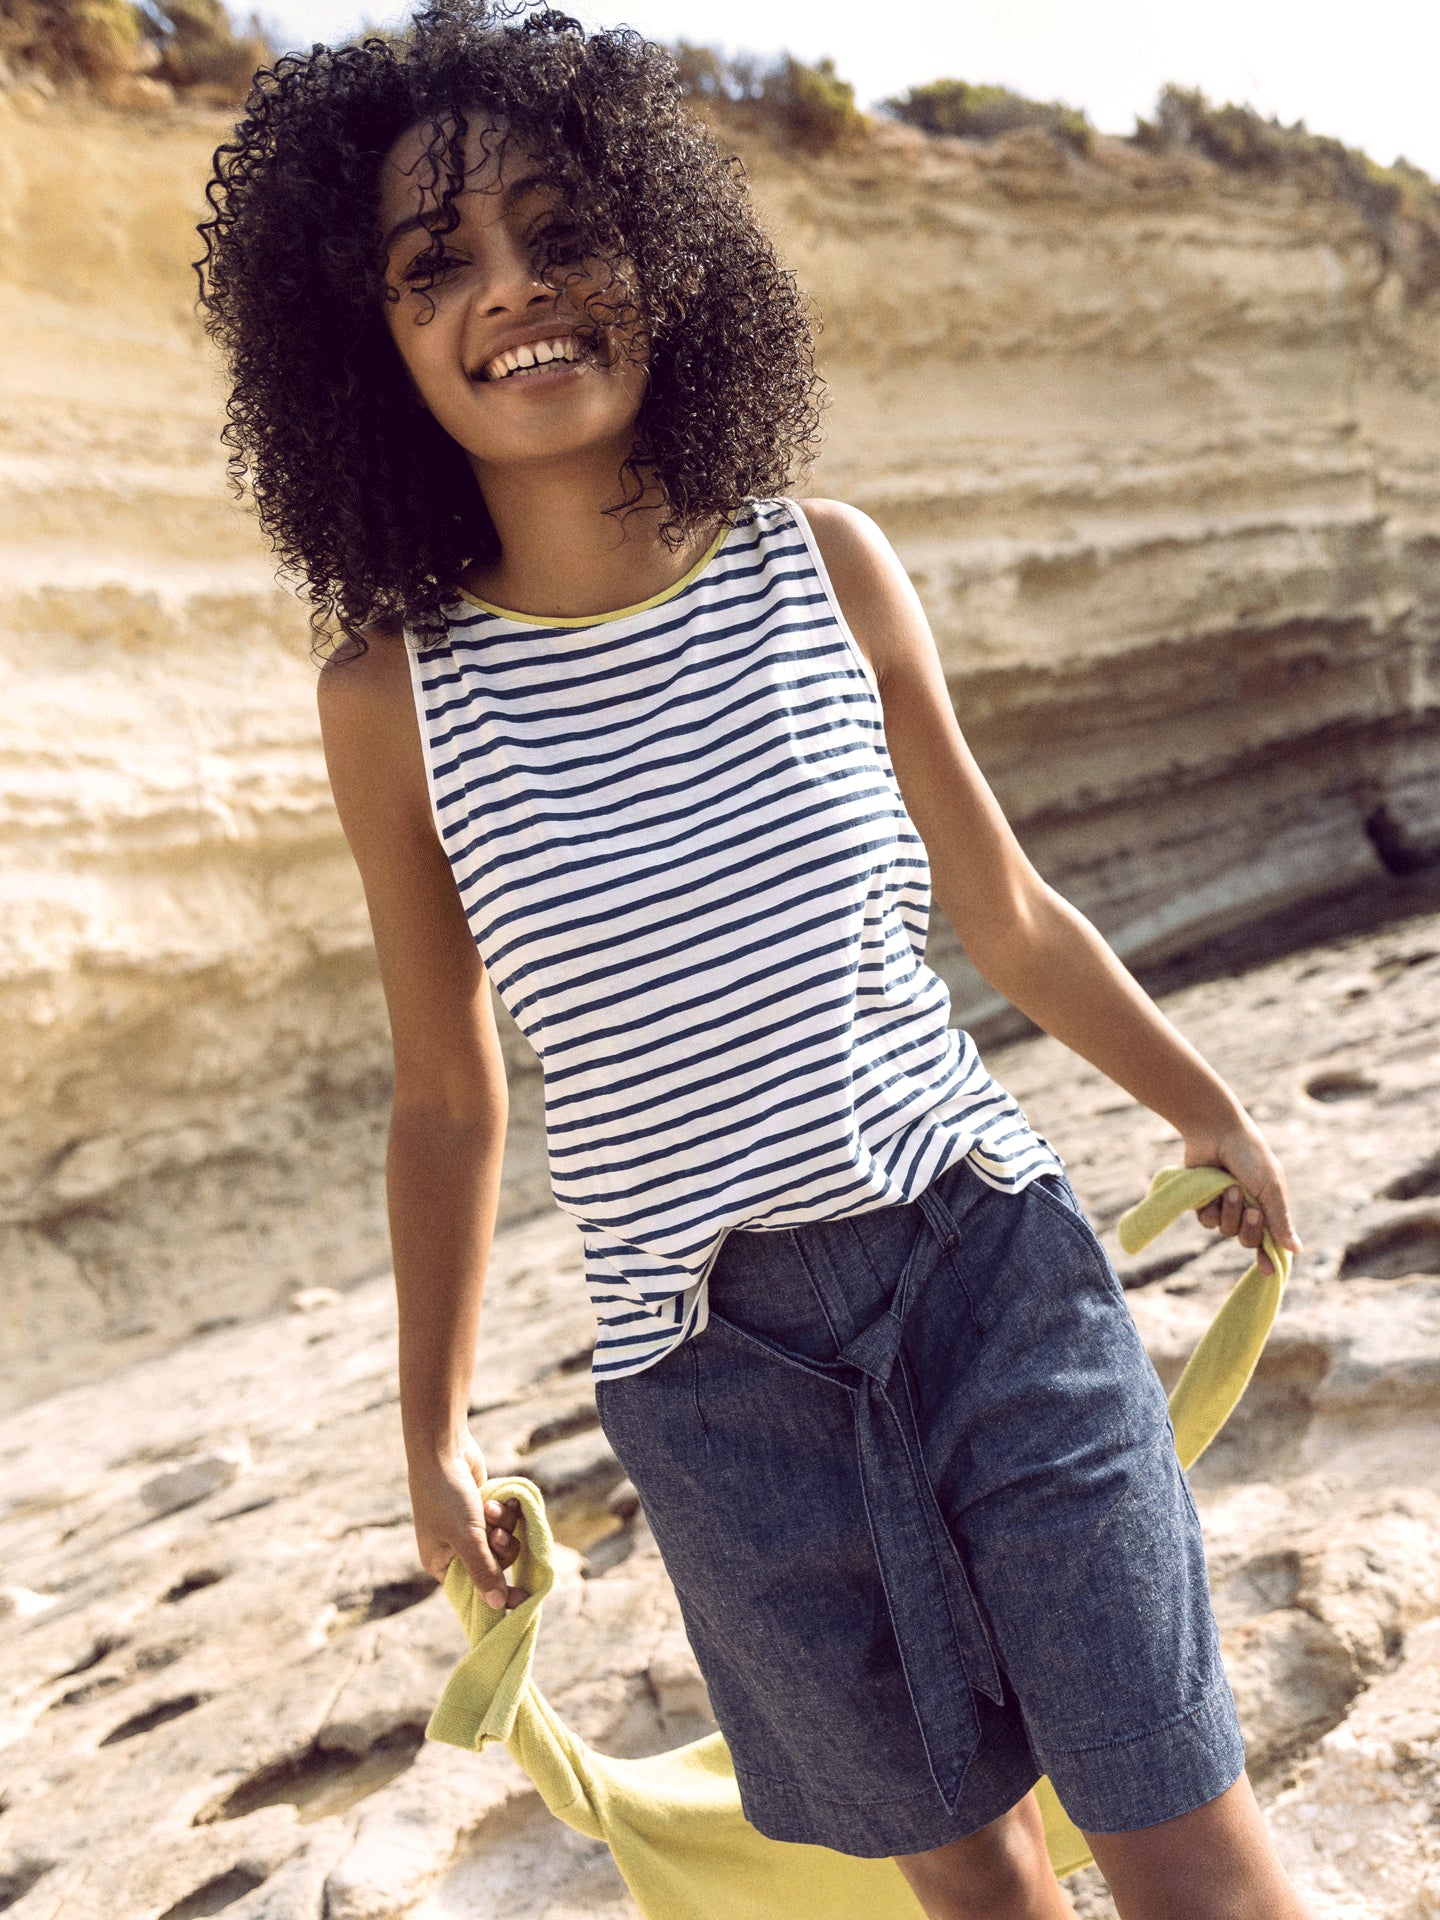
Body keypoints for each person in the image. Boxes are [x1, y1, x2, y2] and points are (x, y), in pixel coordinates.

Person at [198, 7, 1311, 1914]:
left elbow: (1008, 910)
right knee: (971, 1889)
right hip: (716, 1392)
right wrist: (432, 1431)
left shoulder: (827, 563)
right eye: (432, 265)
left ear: (660, 255)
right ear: (363, 345)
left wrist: (1206, 1107)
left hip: (993, 1280)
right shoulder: (391, 699)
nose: (513, 293)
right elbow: (450, 1093)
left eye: (562, 232)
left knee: (1185, 1843)